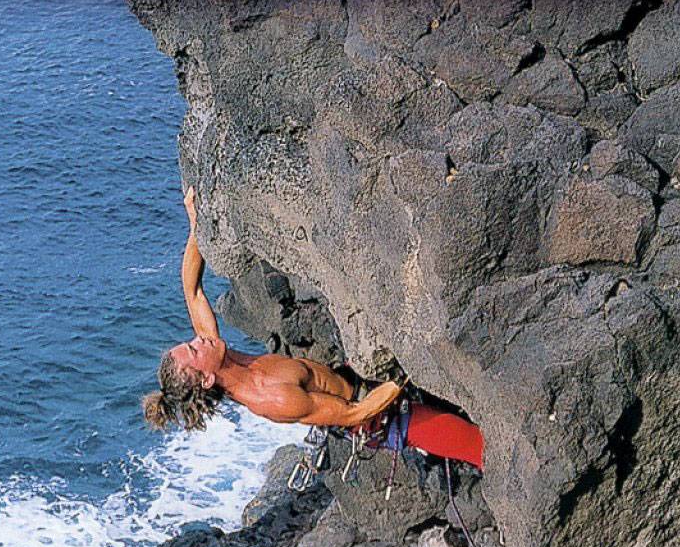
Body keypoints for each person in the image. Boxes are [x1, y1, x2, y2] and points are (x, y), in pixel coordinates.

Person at [142, 187, 484, 470]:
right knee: (479, 448)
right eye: (193, 350)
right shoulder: (272, 399)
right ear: (206, 379)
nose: (198, 340)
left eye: (190, 342)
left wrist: (195, 224)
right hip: (382, 413)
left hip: (356, 375)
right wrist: (406, 371)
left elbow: (192, 290)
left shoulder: (217, 350)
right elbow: (354, 413)